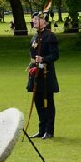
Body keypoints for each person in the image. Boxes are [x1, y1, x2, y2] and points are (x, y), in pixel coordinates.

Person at [27, 11, 59, 139]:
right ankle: (41, 130)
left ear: (44, 22)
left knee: (48, 103)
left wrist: (43, 59)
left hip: (46, 74)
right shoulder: (35, 36)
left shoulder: (50, 36)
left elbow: (55, 55)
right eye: (33, 19)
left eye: (36, 19)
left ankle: (49, 131)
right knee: (38, 102)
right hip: (35, 73)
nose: (33, 21)